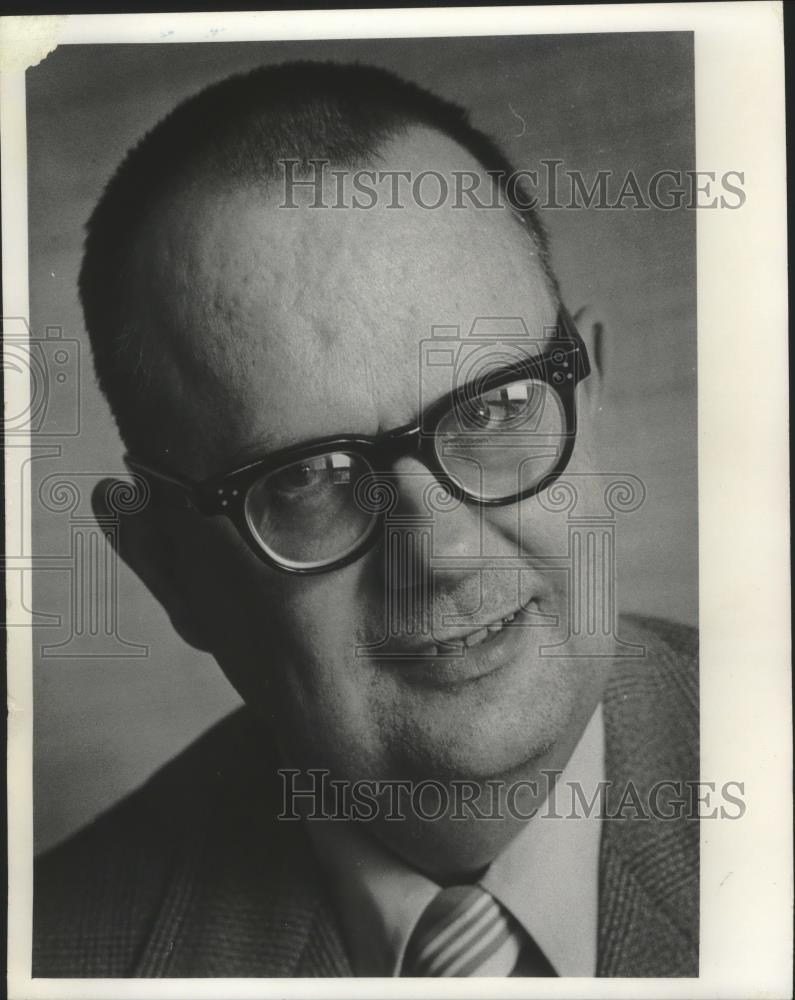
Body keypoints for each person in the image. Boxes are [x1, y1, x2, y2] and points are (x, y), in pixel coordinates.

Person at [33, 61, 698, 979]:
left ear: (594, 397)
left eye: (490, 410)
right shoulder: (56, 960)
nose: (443, 551)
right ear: (164, 566)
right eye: (310, 475)